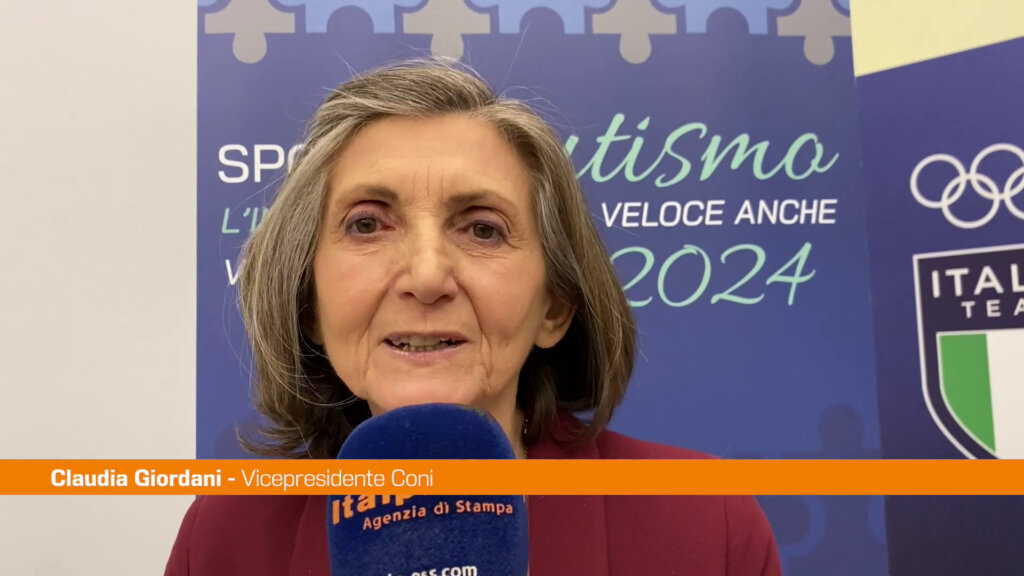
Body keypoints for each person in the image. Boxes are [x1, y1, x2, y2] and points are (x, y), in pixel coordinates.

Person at [166, 58, 781, 576]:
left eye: (483, 229)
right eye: (367, 224)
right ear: (308, 303)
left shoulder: (706, 520)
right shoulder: (225, 536)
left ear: (555, 305)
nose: (427, 276)